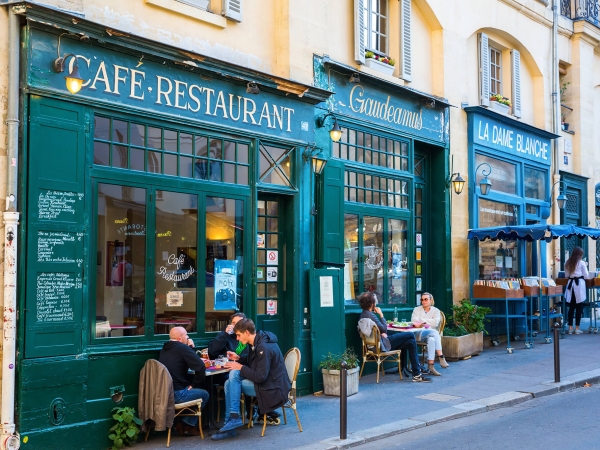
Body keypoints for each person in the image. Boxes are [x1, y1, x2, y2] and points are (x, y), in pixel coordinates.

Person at [211, 319, 291, 441]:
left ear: (247, 332)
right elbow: (255, 362)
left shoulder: (263, 347)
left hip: (272, 387)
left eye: (238, 335)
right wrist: (239, 358)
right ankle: (231, 421)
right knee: (230, 380)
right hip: (271, 382)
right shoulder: (259, 340)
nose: (237, 338)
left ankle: (232, 421)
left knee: (232, 378)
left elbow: (260, 376)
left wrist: (240, 366)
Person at [357, 292, 431, 383]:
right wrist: (381, 315)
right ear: (372, 304)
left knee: (411, 343)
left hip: (375, 346)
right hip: (382, 345)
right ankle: (418, 369)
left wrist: (381, 333)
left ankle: (417, 374)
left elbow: (380, 330)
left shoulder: (364, 314)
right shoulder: (371, 315)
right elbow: (384, 329)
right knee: (410, 335)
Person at [159, 326, 209, 436]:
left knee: (191, 390)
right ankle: (188, 425)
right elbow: (200, 366)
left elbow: (183, 359)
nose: (188, 337)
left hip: (164, 394)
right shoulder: (182, 348)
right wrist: (194, 384)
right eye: (186, 335)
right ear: (180, 339)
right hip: (178, 394)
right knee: (204, 394)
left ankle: (180, 424)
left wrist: (189, 348)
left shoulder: (165, 348)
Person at [411, 292, 449, 376]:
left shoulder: (436, 311)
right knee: (435, 332)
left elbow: (435, 323)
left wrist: (422, 321)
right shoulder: (416, 309)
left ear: (431, 300)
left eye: (426, 299)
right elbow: (414, 321)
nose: (423, 301)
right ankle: (441, 356)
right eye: (422, 299)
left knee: (432, 339)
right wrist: (427, 322)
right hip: (418, 334)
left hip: (430, 335)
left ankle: (431, 366)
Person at [565, 247, 590, 334]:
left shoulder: (567, 262)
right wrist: (586, 266)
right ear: (580, 255)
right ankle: (577, 328)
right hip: (579, 285)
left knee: (571, 307)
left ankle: (570, 328)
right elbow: (586, 275)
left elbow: (566, 275)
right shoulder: (582, 263)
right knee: (579, 306)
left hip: (571, 285)